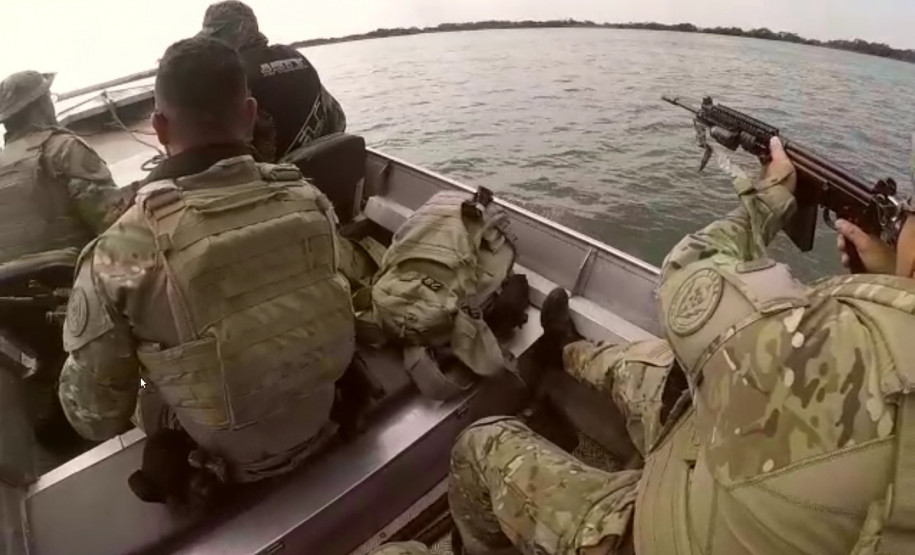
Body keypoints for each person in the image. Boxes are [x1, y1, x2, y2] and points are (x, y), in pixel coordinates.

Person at [374, 136, 915, 554]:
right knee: (661, 373)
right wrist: (895, 279)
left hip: (656, 532)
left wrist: (770, 197)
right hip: (762, 498)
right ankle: (565, 351)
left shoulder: (851, 344)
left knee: (483, 445)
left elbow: (687, 273)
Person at [58, 36, 355, 483]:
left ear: (159, 127)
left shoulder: (124, 248)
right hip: (321, 417)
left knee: (134, 374)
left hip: (229, 459)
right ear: (251, 115)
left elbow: (95, 416)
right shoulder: (309, 197)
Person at [0, 70, 133, 445]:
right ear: (40, 106)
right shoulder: (63, 148)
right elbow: (116, 227)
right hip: (73, 295)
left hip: (13, 312)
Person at [197, 0, 346, 162]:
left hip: (278, 182)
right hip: (328, 167)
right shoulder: (294, 56)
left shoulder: (230, 74)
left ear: (240, 29)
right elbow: (339, 120)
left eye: (215, 35)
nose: (210, 44)